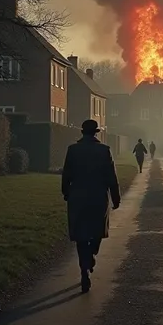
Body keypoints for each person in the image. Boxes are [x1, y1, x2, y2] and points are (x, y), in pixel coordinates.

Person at [61, 119, 120, 293]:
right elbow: (111, 177)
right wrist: (116, 198)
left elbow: (67, 174)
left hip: (78, 197)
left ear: (82, 133)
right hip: (98, 197)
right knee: (97, 231)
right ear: (96, 133)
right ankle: (91, 256)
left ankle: (84, 268)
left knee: (80, 235)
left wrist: (66, 192)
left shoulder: (72, 150)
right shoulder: (104, 151)